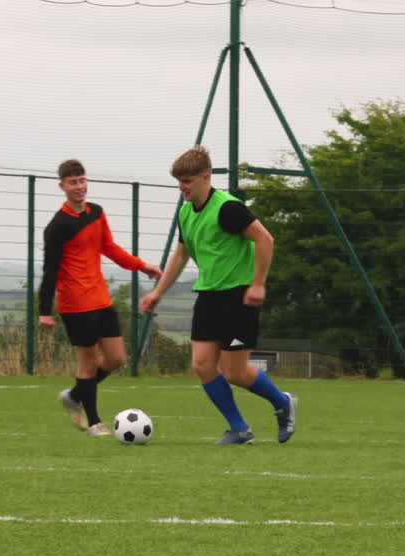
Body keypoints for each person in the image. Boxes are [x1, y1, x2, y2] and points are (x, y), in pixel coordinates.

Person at [139, 146, 297, 445]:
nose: (182, 187)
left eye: (187, 181)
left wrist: (258, 284)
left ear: (205, 177)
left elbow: (265, 239)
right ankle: (239, 429)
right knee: (201, 365)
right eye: (179, 181)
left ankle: (283, 402)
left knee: (235, 372)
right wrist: (158, 292)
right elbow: (182, 252)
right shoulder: (186, 211)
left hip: (239, 297)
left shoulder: (228, 208)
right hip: (209, 296)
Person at [39, 159, 162, 436]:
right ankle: (94, 422)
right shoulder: (57, 226)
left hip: (101, 299)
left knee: (117, 359)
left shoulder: (97, 212)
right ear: (62, 187)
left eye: (82, 180)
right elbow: (49, 270)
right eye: (73, 182)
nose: (79, 186)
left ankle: (73, 395)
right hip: (75, 303)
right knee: (89, 361)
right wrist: (45, 310)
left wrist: (142, 265)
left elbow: (109, 248)